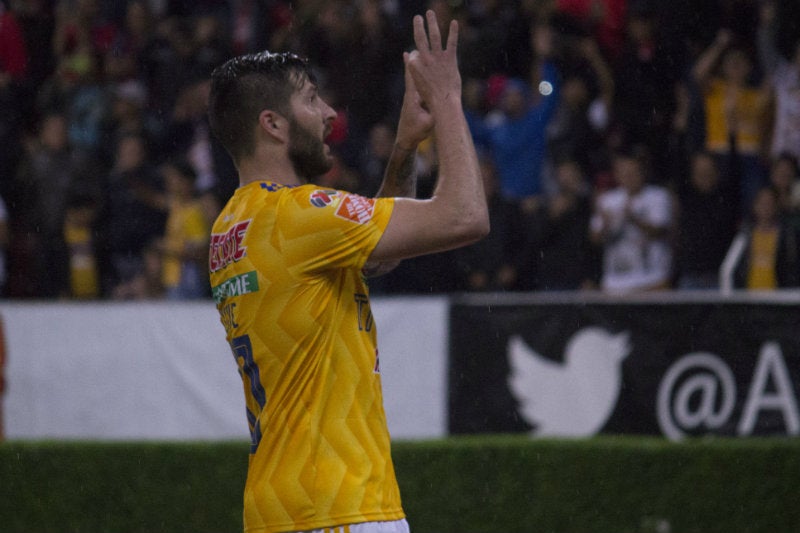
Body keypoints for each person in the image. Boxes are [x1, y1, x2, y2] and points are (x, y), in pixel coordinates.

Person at [207, 10, 488, 533]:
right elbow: (465, 216)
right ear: (273, 123)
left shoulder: (233, 227)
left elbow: (375, 256)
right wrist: (448, 97)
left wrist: (404, 147)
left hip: (278, 508)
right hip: (338, 505)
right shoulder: (296, 214)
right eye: (312, 99)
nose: (330, 113)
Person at [590, 147, 675, 293]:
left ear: (642, 172)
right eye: (625, 174)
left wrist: (633, 218)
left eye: (633, 173)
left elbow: (660, 231)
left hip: (652, 279)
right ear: (617, 175)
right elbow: (594, 239)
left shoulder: (658, 196)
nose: (629, 178)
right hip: (616, 282)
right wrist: (605, 225)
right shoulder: (608, 200)